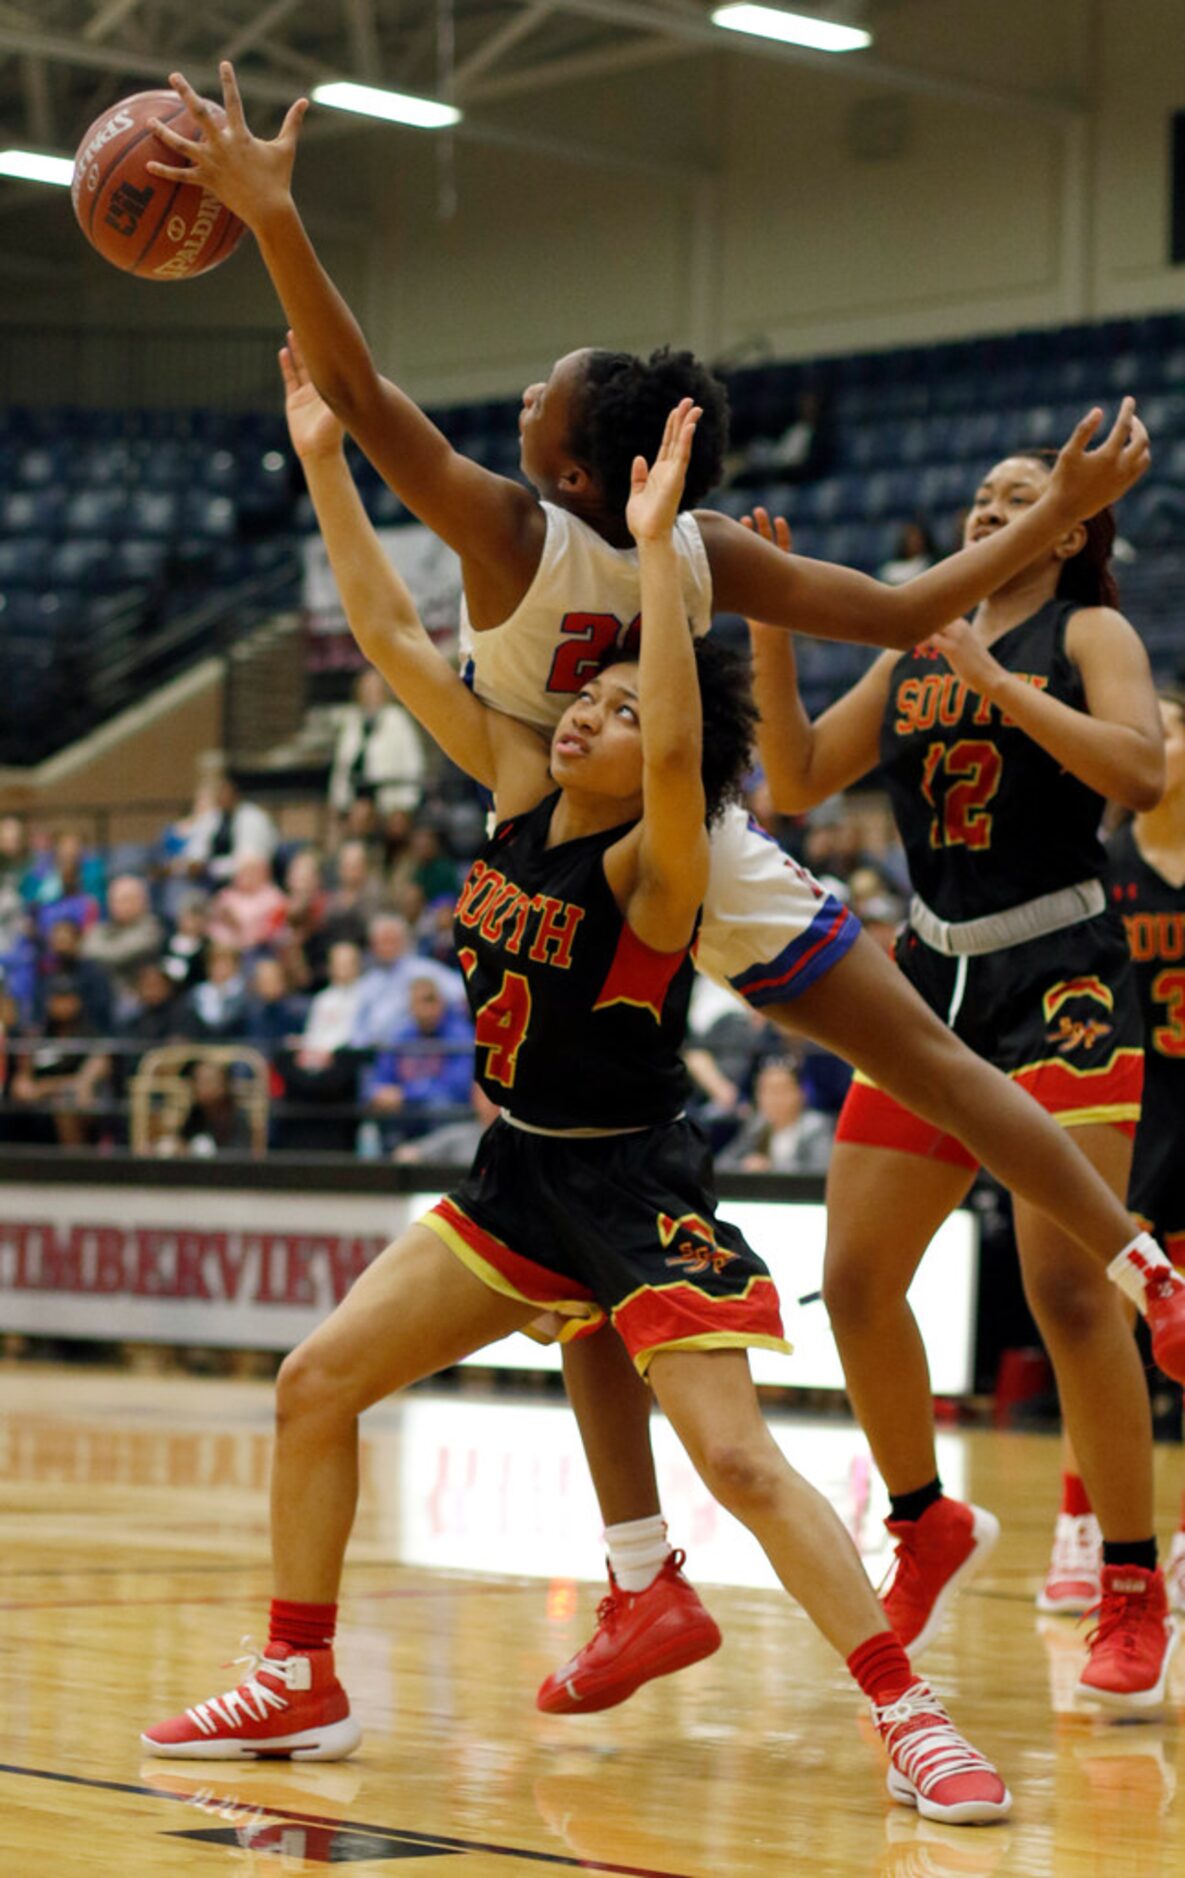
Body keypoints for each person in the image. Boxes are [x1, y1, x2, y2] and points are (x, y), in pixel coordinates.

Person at [273, 332, 1185, 1722]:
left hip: (794, 877)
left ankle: (1127, 1380)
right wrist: (325, 455)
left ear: (586, 460)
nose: (520, 391)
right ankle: (803, 1546)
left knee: (1013, 1245)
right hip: (649, 850)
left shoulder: (565, 532)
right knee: (803, 1257)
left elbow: (366, 398)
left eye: (543, 390)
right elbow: (822, 729)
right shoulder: (638, 563)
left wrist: (271, 222)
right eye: (986, 501)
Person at [142, 392, 1013, 1826]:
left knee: (736, 1455)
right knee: (313, 1383)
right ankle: (302, 1675)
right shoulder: (507, 788)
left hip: (633, 1186)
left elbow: (680, 753)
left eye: (611, 713)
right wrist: (321, 466)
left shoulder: (655, 872)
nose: (582, 721)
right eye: (580, 703)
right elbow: (389, 638)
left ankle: (906, 1713)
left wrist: (666, 565)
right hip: (516, 1181)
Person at [746, 464, 1179, 1708]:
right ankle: (926, 1520)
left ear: (1072, 526)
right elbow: (799, 776)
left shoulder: (1089, 629)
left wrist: (999, 689)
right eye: (983, 494)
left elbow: (1141, 775)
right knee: (857, 1281)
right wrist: (774, 633)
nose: (992, 504)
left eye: (1022, 493)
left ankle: (1132, 1589)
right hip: (930, 980)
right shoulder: (909, 641)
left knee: (1071, 1284)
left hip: (1062, 972)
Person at [1037, 690, 1185, 1616]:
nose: (1161, 740)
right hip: (1130, 1117)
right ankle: (1078, 1528)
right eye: (1153, 727)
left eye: (1175, 726)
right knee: (1102, 1329)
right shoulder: (1101, 870)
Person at [328, 667, 424, 819]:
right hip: (355, 797)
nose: (370, 693)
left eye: (375, 688)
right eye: (366, 688)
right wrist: (337, 801)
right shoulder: (351, 720)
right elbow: (342, 765)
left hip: (389, 798)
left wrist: (404, 805)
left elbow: (413, 763)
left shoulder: (397, 719)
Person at [716, 1055, 833, 1173]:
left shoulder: (816, 1127)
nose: (775, 1099)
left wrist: (771, 1167)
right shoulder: (756, 1126)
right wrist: (742, 1165)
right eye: (767, 1091)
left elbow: (820, 1171)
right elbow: (720, 1165)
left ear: (801, 1094)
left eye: (782, 1090)